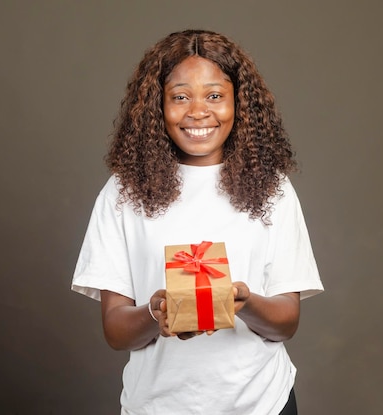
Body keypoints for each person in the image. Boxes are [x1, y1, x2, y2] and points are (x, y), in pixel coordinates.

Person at [72, 29, 323, 415]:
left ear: (239, 103)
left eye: (215, 95)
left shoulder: (273, 188)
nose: (198, 111)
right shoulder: (122, 192)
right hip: (157, 406)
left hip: (262, 404)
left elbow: (286, 322)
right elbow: (116, 330)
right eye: (180, 97)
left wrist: (244, 301)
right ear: (158, 106)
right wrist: (157, 312)